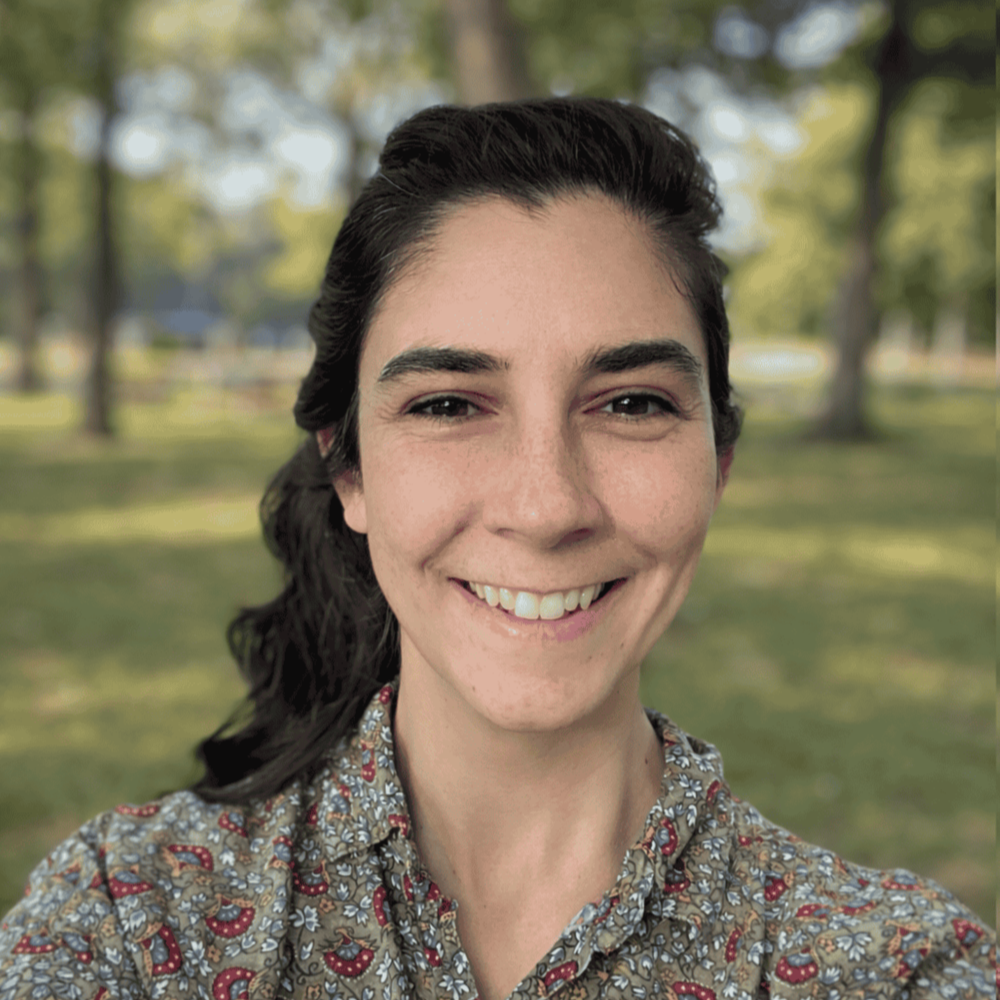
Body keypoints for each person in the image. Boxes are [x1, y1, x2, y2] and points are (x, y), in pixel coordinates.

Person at [0, 98, 992, 1000]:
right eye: (446, 404)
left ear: (717, 460)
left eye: (632, 403)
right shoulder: (128, 923)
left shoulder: (896, 968)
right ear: (349, 471)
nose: (546, 504)